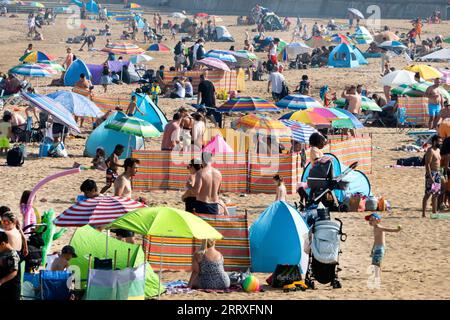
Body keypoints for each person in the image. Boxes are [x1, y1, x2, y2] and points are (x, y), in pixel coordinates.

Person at [365, 213, 401, 285]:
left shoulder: (379, 227)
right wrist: (372, 249)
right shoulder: (375, 228)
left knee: (377, 262)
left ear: (378, 221)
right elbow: (375, 240)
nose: (370, 221)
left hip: (380, 248)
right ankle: (377, 275)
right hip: (376, 248)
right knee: (374, 262)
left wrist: (396, 230)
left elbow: (388, 230)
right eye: (369, 220)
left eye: (372, 220)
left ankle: (377, 276)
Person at [113, 158, 140, 243]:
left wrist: (134, 201)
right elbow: (117, 197)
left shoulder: (127, 179)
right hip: (123, 215)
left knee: (119, 239)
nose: (137, 170)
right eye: (135, 168)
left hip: (126, 213)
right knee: (131, 241)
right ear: (128, 168)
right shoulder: (122, 180)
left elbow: (125, 196)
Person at [422, 135, 443, 217]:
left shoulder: (438, 150)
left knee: (436, 194)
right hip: (432, 174)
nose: (440, 143)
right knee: (428, 194)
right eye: (439, 141)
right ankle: (423, 213)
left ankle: (434, 212)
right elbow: (427, 164)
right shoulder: (430, 151)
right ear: (434, 142)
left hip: (437, 173)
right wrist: (430, 177)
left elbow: (438, 162)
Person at [0, 231, 20, 300]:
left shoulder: (12, 254)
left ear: (3, 244)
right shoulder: (2, 251)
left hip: (11, 288)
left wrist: (1, 281)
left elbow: (14, 272)